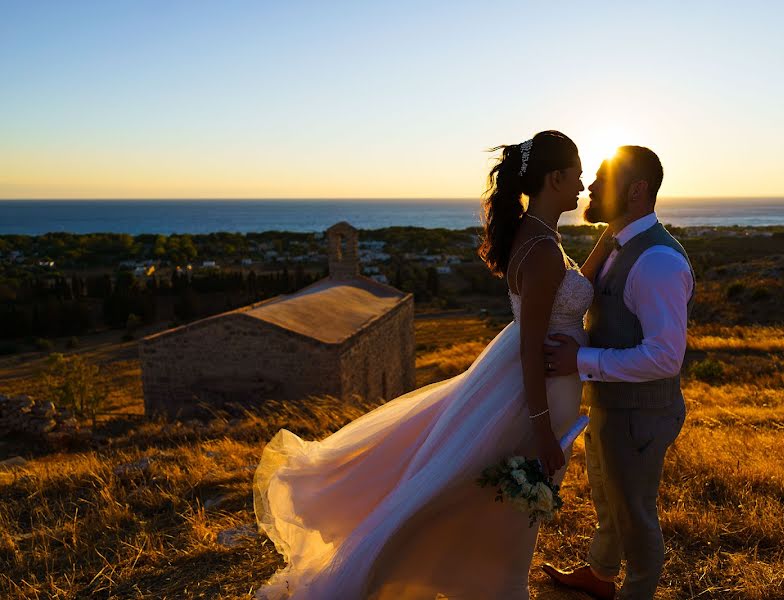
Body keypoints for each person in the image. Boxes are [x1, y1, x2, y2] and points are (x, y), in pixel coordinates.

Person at [252, 130, 602, 599]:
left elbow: (564, 289)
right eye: (577, 176)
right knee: (498, 498)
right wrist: (542, 429)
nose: (582, 186)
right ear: (555, 178)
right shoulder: (540, 249)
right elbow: (531, 345)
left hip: (531, 383)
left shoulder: (536, 236)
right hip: (536, 390)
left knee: (491, 493)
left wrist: (612, 238)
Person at [541, 146, 695, 600]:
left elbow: (666, 356)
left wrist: (580, 362)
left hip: (640, 415)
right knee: (608, 503)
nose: (589, 186)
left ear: (637, 190)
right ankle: (601, 575)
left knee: (636, 514)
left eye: (602, 180)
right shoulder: (616, 240)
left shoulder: (658, 262)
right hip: (613, 405)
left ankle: (638, 592)